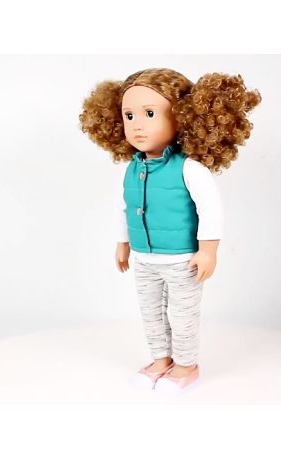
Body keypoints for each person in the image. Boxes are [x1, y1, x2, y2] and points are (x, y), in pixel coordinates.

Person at [79, 68, 261, 393]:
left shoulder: (190, 169)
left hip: (182, 259)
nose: (137, 124)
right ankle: (160, 360)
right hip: (144, 258)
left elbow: (210, 210)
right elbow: (124, 207)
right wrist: (123, 243)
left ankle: (187, 366)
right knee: (151, 313)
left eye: (149, 113)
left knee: (182, 315)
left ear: (183, 117)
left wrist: (208, 251)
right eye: (129, 115)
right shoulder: (131, 169)